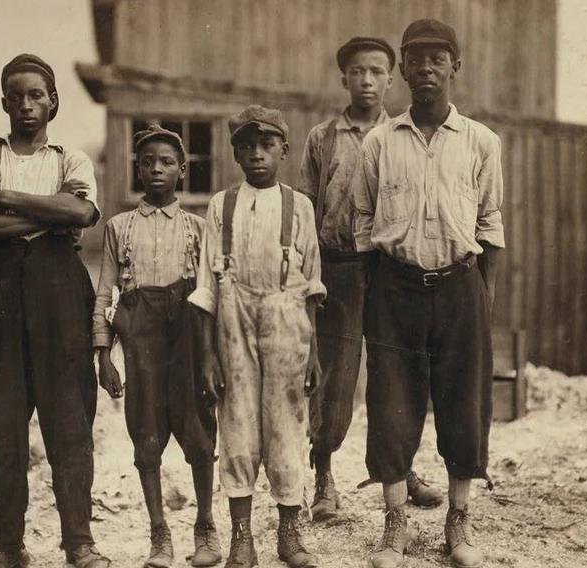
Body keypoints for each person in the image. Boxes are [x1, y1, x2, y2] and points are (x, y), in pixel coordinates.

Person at [0, 54, 109, 568]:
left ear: (53, 101)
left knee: (69, 417)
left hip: (59, 287)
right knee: (3, 420)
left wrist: (10, 200)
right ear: (3, 103)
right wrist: (45, 215)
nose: (26, 105)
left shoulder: (71, 159)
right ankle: (7, 543)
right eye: (15, 96)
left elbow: (81, 212)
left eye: (36, 95)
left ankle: (78, 542)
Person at [353, 19, 505, 568]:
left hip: (460, 286)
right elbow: (364, 224)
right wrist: (376, 297)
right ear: (404, 70)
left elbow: (490, 226)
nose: (425, 69)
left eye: (436, 59)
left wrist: (481, 301)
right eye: (414, 59)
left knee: (464, 405)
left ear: (454, 66)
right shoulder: (378, 141)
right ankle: (393, 528)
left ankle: (458, 526)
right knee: (392, 405)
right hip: (395, 288)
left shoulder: (482, 142)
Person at [297, 36, 443, 523]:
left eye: (377, 72)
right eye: (357, 71)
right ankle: (323, 477)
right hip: (336, 269)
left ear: (391, 77)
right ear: (344, 79)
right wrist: (309, 273)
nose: (367, 80)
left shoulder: (403, 135)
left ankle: (399, 469)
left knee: (395, 373)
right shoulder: (323, 137)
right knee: (335, 376)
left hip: (387, 272)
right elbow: (304, 209)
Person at [190, 105, 325, 568]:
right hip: (233, 316)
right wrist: (208, 355)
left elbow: (312, 286)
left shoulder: (299, 206)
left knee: (287, 423)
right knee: (238, 424)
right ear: (235, 154)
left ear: (284, 150)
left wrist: (313, 354)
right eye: (246, 146)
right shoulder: (220, 205)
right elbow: (207, 286)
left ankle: (289, 533)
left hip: (287, 316)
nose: (257, 155)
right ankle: (241, 537)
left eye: (266, 145)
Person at [92, 124, 221, 568]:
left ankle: (205, 525)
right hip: (141, 340)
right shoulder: (119, 227)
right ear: (137, 169)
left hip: (187, 337)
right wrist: (103, 353)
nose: (156, 170)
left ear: (182, 170)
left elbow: (210, 297)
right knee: (145, 435)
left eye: (166, 162)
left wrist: (211, 358)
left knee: (200, 431)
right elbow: (107, 292)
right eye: (147, 162)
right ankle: (159, 534)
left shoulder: (199, 229)